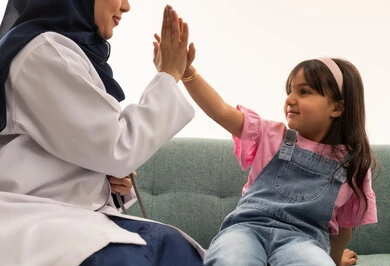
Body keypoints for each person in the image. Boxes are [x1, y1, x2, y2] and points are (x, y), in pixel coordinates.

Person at [0, 0, 205, 265]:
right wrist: (168, 75)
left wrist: (109, 180)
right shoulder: (42, 53)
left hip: (68, 214)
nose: (126, 6)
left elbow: (91, 148)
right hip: (40, 219)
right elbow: (117, 147)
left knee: (175, 248)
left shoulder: (62, 51)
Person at [161, 38, 377, 265]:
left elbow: (343, 229)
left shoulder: (351, 163)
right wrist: (187, 71)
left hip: (304, 241)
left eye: (304, 92)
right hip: (246, 230)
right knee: (230, 260)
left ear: (336, 107)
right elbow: (221, 111)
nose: (290, 99)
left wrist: (331, 260)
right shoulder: (270, 135)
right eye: (290, 91)